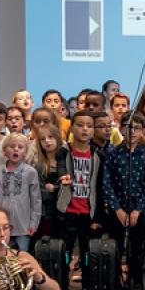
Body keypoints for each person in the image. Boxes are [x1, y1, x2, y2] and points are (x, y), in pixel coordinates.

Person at [102, 112, 145, 289]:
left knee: (137, 250)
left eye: (137, 128)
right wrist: (117, 209)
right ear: (122, 128)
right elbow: (106, 183)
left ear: (142, 131)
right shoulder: (113, 153)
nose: (132, 131)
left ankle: (136, 283)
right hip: (117, 210)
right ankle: (116, 283)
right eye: (128, 127)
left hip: (137, 212)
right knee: (115, 248)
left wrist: (138, 210)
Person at [57, 111, 100, 270]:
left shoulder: (97, 154)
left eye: (89, 126)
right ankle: (64, 286)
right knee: (65, 251)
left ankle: (87, 286)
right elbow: (60, 169)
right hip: (68, 210)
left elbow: (99, 187)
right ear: (72, 128)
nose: (85, 129)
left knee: (87, 252)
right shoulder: (64, 151)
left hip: (87, 212)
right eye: (80, 125)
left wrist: (97, 217)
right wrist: (62, 176)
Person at [0, 133, 40, 252]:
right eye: (11, 146)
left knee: (21, 257)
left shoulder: (31, 172)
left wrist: (34, 223)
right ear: (5, 151)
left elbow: (36, 200)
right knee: (1, 255)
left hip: (23, 225)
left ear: (25, 152)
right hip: (1, 226)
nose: (16, 149)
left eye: (20, 147)